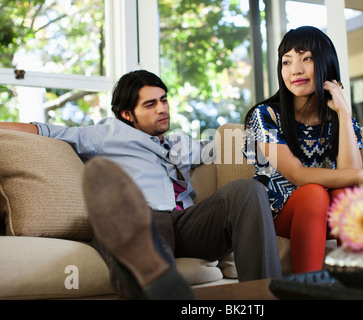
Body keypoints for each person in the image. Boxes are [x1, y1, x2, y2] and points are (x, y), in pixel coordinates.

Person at [0, 70, 282, 299]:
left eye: (164, 100)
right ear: (127, 114)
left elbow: (226, 147)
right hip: (142, 217)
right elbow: (45, 130)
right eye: (150, 104)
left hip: (187, 223)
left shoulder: (178, 143)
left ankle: (267, 296)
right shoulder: (107, 134)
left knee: (248, 191)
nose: (162, 109)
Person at [243, 26, 363, 274]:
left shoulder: (339, 117)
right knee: (315, 193)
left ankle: (360, 285)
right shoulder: (264, 116)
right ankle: (307, 289)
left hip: (329, 214)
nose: (295, 70)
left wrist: (343, 112)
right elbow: (297, 175)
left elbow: (349, 172)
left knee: (344, 193)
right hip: (281, 214)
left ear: (326, 65)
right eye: (287, 62)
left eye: (306, 58)